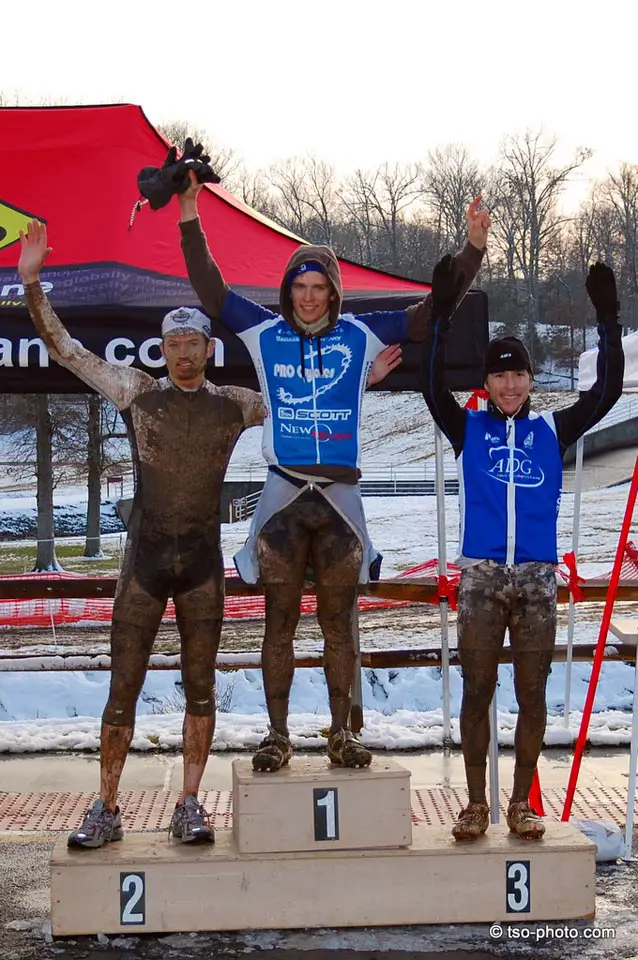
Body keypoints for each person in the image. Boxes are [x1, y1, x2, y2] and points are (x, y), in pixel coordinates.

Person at [178, 171, 490, 771]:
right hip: (283, 493)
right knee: (279, 622)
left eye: (320, 286)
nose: (309, 297)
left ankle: (342, 734)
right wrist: (190, 212)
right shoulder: (262, 332)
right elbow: (211, 291)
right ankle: (276, 734)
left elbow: (432, 313)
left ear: (334, 291)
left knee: (340, 625)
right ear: (288, 289)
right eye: (301, 285)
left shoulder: (362, 334)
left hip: (342, 496)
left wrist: (472, 248)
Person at [18, 219, 265, 848]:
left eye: (193, 343)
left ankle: (188, 802)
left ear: (209, 349)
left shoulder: (235, 403)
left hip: (204, 568)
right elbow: (68, 351)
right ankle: (106, 805)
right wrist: (31, 284)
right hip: (145, 566)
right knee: (121, 687)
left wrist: (363, 377)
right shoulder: (137, 391)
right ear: (162, 349)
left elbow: (304, 399)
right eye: (173, 343)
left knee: (202, 687)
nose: (183, 353)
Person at [421, 254, 625, 840]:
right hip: (481, 579)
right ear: (486, 383)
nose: (509, 384)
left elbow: (607, 390)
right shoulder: (469, 429)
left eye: (519, 375)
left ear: (531, 381)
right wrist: (440, 311)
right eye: (499, 375)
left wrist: (606, 316)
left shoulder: (551, 431)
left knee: (531, 693)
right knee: (478, 690)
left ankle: (522, 805)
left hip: (536, 579)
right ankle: (475, 804)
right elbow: (433, 382)